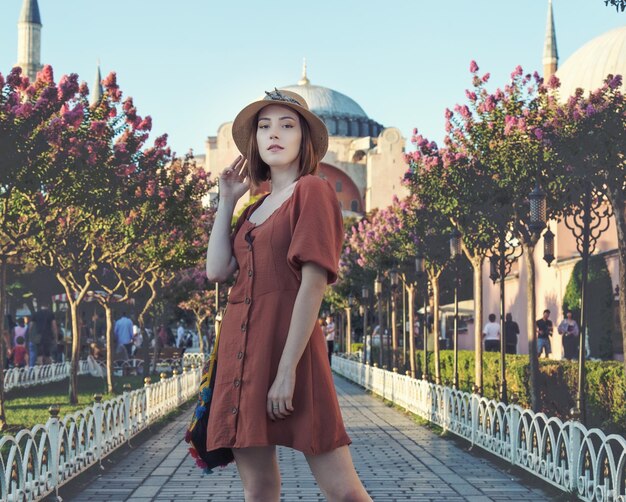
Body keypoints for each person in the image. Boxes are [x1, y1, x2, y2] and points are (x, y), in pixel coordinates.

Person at [204, 89, 371, 501]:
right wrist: (227, 200)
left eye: (287, 125)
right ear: (255, 142)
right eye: (264, 126)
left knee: (343, 491)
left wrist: (286, 370)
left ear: (304, 139)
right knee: (259, 489)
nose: (273, 133)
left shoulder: (312, 190)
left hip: (289, 351)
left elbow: (313, 284)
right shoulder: (252, 209)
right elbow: (217, 271)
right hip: (242, 353)